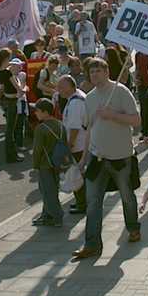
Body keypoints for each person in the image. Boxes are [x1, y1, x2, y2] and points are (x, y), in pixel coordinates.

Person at [75, 58, 141, 259]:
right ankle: (92, 244)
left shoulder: (121, 92)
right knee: (93, 202)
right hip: (97, 158)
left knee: (127, 196)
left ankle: (133, 228)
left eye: (98, 71)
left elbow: (136, 120)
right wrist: (84, 158)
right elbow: (89, 129)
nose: (94, 75)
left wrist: (112, 115)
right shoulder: (89, 98)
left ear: (106, 72)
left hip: (121, 157)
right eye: (91, 72)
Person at [31, 98, 67, 227]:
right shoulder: (60, 125)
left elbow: (37, 149)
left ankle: (56, 216)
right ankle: (46, 214)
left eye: (38, 111)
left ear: (45, 112)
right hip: (58, 163)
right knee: (53, 189)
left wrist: (35, 165)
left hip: (45, 164)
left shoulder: (41, 128)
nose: (35, 113)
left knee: (47, 191)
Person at [57, 75, 87, 214]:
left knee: (76, 176)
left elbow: (75, 127)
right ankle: (82, 202)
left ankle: (82, 204)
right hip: (80, 143)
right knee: (79, 175)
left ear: (70, 86)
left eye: (61, 87)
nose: (59, 90)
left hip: (77, 145)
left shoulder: (75, 103)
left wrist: (69, 145)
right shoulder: (77, 97)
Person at [0, 50, 24, 162]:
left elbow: (1, 88)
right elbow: (18, 88)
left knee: (9, 129)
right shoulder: (7, 72)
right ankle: (11, 155)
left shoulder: (0, 71)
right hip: (12, 101)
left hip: (6, 101)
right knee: (10, 131)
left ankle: (11, 154)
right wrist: (22, 88)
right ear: (6, 58)